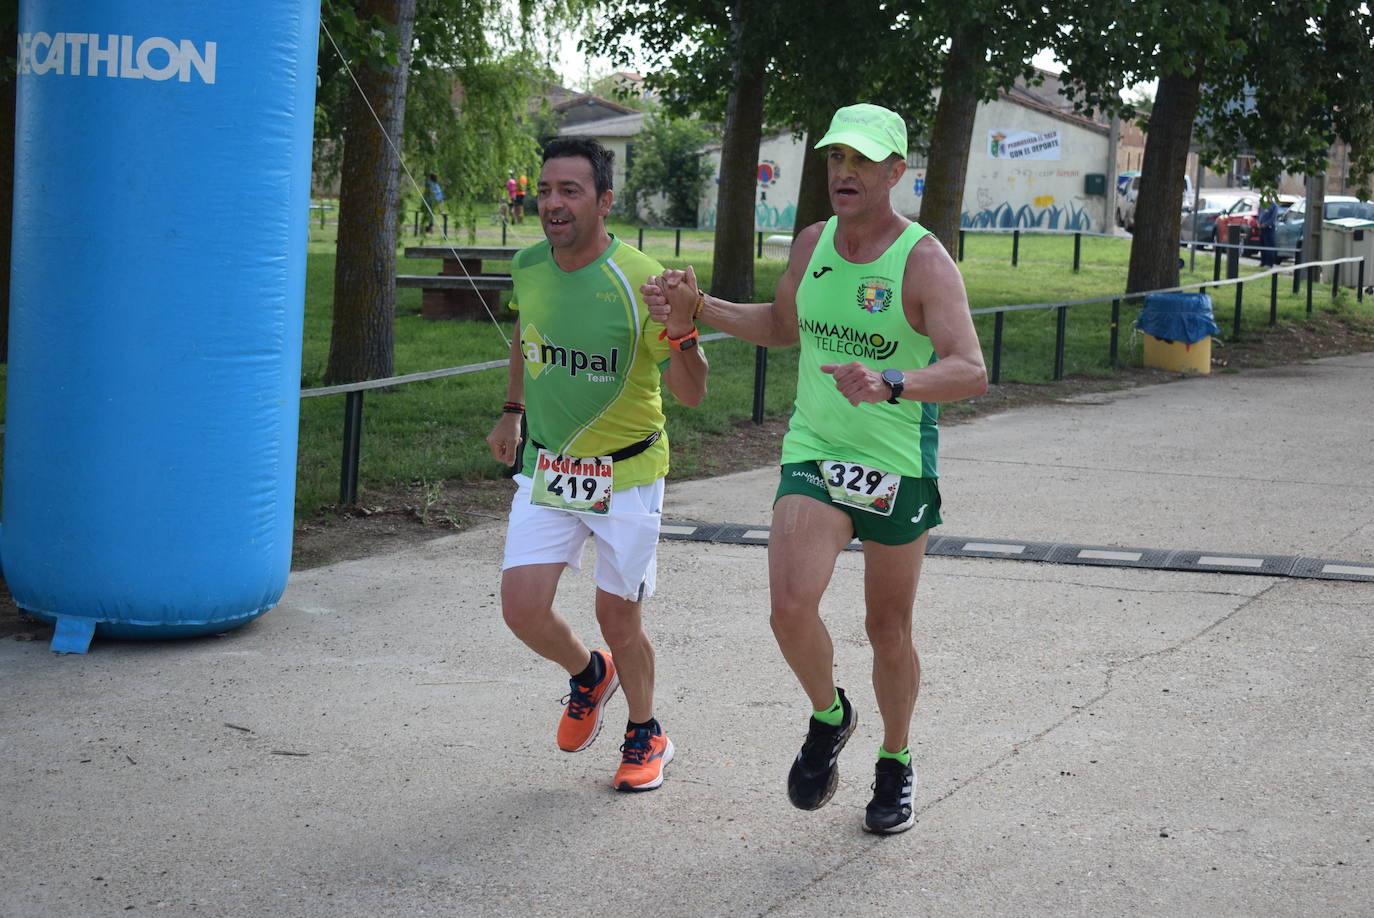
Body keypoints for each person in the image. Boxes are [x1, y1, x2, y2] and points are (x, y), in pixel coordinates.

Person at [642, 103, 987, 833]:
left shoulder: (923, 260)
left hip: (897, 463)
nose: (845, 172)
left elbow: (969, 370)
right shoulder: (812, 242)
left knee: (887, 629)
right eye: (836, 159)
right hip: (817, 454)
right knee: (789, 605)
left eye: (863, 161)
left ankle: (896, 760)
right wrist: (696, 307)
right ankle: (830, 716)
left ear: (898, 173)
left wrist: (892, 382)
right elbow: (781, 326)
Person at [486, 137, 709, 793]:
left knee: (621, 620)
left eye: (570, 191)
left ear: (605, 201)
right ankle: (590, 675)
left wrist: (688, 329)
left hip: (628, 474)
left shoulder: (642, 281)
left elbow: (692, 394)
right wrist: (510, 410)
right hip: (549, 467)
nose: (552, 204)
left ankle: (647, 730)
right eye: (545, 190)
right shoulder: (529, 266)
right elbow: (529, 341)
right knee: (521, 609)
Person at [1258, 190, 1280, 267]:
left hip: (1269, 229)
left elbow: (1273, 218)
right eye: (1267, 195)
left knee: (1269, 246)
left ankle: (1269, 263)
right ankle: (1262, 262)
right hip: (1261, 229)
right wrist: (1259, 223)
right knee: (1262, 246)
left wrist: (1266, 224)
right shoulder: (1263, 205)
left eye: (1269, 195)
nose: (1268, 197)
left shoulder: (1274, 206)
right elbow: (1259, 215)